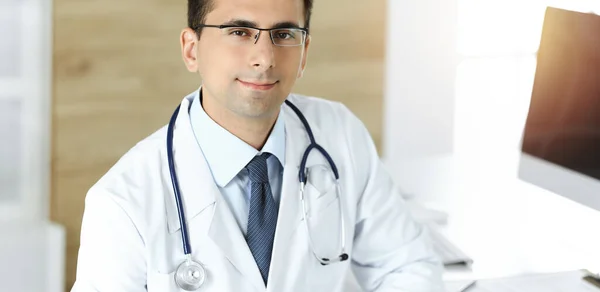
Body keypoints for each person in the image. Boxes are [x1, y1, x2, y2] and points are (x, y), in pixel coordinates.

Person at [71, 0, 444, 291]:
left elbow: (407, 268)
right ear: (191, 49)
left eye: (283, 34)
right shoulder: (121, 202)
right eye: (239, 31)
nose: (264, 58)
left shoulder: (340, 134)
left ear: (304, 53)